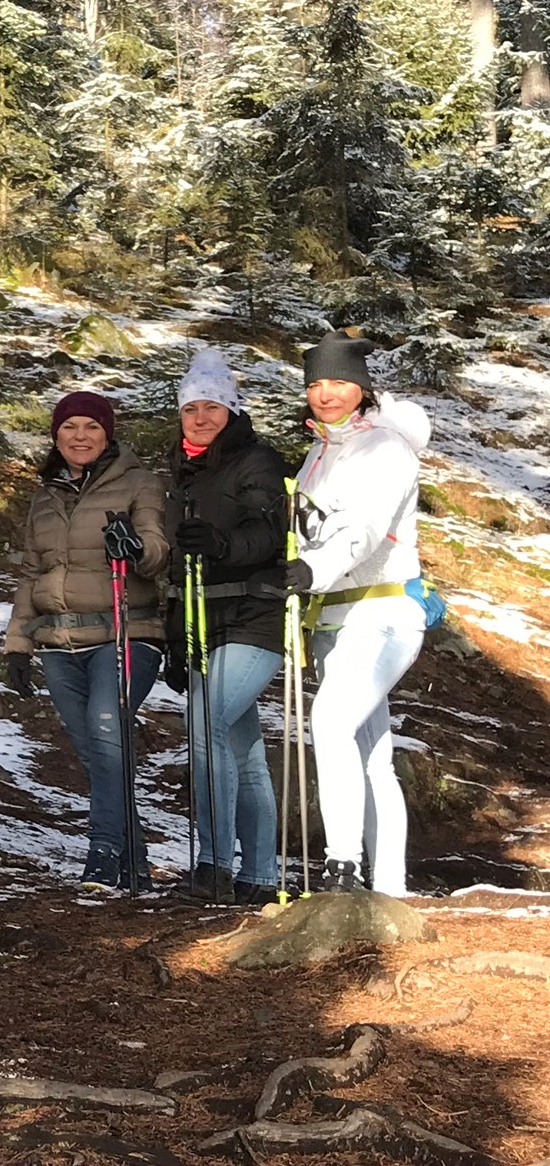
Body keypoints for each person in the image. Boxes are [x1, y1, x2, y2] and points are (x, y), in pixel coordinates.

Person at [3, 391, 168, 890]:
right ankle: (133, 859)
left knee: (105, 732)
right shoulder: (45, 495)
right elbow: (33, 572)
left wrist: (136, 548)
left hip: (124, 633)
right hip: (59, 641)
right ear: (57, 435)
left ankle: (102, 851)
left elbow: (158, 550)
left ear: (107, 433)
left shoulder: (139, 483)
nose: (80, 436)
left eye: (91, 427)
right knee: (98, 752)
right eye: (70, 427)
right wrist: (18, 643)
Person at [287, 333, 431, 897]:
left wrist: (311, 570)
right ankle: (390, 891)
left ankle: (341, 867)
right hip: (333, 620)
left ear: (363, 387)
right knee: (371, 754)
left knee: (329, 722)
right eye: (316, 384)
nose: (326, 393)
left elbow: (366, 528)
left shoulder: (385, 447)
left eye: (339, 382)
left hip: (383, 612)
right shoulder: (321, 448)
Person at [164, 350, 291, 905]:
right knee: (241, 751)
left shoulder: (256, 460)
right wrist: (174, 639)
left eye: (212, 406)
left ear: (231, 408)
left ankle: (214, 865)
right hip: (201, 621)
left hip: (253, 614)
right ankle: (260, 876)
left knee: (206, 722)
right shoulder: (177, 469)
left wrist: (222, 546)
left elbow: (267, 534)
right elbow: (175, 567)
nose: (201, 416)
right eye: (192, 407)